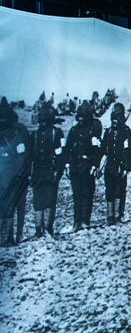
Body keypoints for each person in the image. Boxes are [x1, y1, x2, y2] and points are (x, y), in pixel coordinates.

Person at [64, 101, 102, 231]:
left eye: (83, 117)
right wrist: (67, 165)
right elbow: (67, 148)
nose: (80, 120)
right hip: (75, 165)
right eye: (79, 117)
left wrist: (94, 166)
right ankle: (77, 221)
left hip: (87, 165)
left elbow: (97, 150)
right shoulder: (74, 131)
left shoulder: (93, 130)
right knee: (77, 195)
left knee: (87, 194)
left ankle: (85, 221)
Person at [29, 102, 64, 237]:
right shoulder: (34, 135)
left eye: (45, 120)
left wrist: (58, 172)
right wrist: (30, 174)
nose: (43, 123)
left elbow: (60, 155)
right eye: (41, 120)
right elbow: (30, 156)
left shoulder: (56, 133)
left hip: (50, 171)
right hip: (37, 172)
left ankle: (48, 228)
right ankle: (38, 230)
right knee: (38, 201)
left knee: (50, 200)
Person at [0, 97, 31, 245]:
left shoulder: (18, 133)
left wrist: (21, 174)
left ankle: (13, 236)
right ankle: (6, 237)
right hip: (6, 176)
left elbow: (22, 156)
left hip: (15, 177)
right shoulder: (14, 132)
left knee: (14, 207)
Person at [99, 102, 131, 225]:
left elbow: (128, 152)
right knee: (109, 190)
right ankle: (110, 216)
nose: (114, 121)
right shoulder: (108, 132)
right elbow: (103, 150)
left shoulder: (126, 132)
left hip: (120, 166)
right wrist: (99, 167)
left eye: (116, 118)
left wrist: (126, 167)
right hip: (109, 166)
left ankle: (117, 216)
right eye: (113, 118)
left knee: (119, 191)